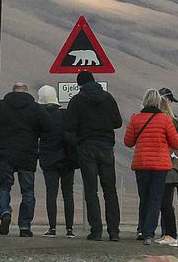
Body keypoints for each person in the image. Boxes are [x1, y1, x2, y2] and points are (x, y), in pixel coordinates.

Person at [63, 70, 124, 241]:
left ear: (79, 84)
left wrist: (77, 142)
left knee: (91, 190)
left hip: (86, 147)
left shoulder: (76, 101)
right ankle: (114, 232)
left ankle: (96, 231)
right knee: (110, 190)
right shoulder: (108, 98)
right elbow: (117, 122)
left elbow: (69, 127)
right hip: (106, 147)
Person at [123, 89, 178, 246]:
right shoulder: (164, 120)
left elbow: (128, 142)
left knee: (144, 198)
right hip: (160, 165)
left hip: (141, 164)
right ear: (158, 102)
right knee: (156, 199)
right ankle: (149, 234)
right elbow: (176, 143)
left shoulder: (136, 119)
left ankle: (141, 229)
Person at [0, 82, 52, 237]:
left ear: (12, 91)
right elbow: (48, 127)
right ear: (26, 92)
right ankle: (25, 226)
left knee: (5, 186)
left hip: (5, 154)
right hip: (27, 155)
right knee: (27, 191)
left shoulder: (0, 106)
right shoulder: (36, 108)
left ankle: (5, 211)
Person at [37, 85, 78, 238]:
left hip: (49, 161)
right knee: (68, 194)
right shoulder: (65, 114)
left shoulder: (41, 116)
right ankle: (69, 229)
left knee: (51, 194)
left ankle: (52, 228)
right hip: (67, 160)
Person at [155, 87, 178, 247]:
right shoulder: (172, 122)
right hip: (170, 166)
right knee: (164, 202)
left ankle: (170, 234)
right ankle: (167, 233)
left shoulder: (166, 121)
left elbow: (177, 143)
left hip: (166, 166)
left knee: (165, 203)